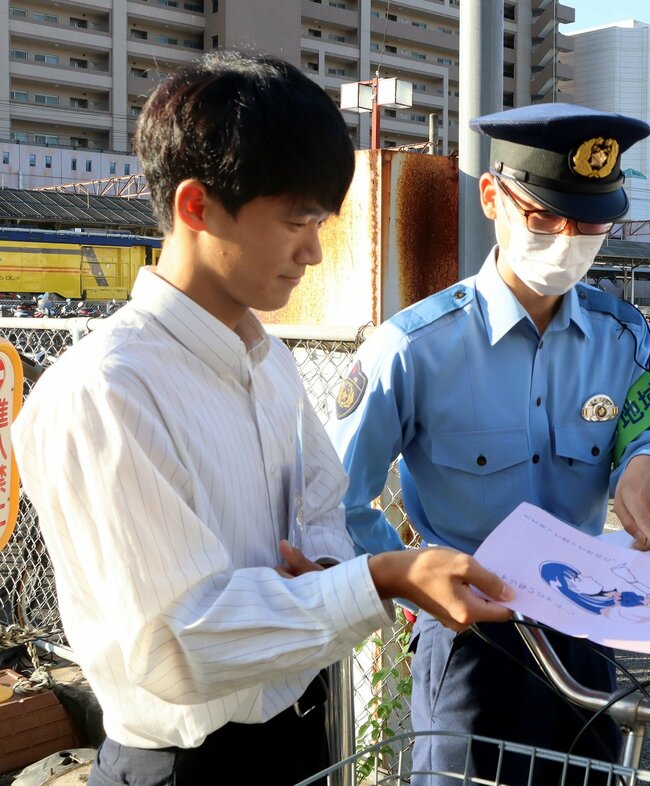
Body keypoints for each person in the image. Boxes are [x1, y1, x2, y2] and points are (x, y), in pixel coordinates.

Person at [13, 51, 513, 786]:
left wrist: (326, 581)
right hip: (181, 763)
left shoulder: (267, 360)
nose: (313, 251)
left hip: (296, 733)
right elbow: (181, 647)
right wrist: (368, 582)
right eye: (296, 221)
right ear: (196, 206)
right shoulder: (106, 393)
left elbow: (325, 513)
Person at [327, 102, 650, 783]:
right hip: (474, 637)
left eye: (590, 223)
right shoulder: (412, 349)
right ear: (492, 196)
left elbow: (649, 423)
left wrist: (649, 462)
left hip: (587, 626)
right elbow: (335, 501)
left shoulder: (622, 338)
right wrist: (412, 584)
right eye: (545, 217)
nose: (568, 240)